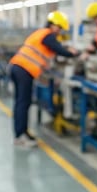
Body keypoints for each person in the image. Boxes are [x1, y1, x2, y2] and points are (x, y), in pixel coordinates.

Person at [8, 11, 82, 147]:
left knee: (23, 103)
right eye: (59, 28)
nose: (59, 32)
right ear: (53, 25)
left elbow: (54, 47)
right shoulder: (48, 35)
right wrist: (74, 54)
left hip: (18, 68)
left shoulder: (42, 34)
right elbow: (59, 49)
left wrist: (66, 48)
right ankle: (20, 137)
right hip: (24, 70)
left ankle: (23, 132)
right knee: (23, 103)